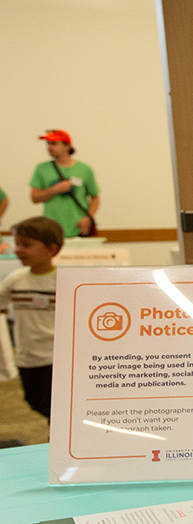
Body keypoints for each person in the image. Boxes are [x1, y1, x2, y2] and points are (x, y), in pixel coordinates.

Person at [0, 217, 62, 419]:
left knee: (54, 407)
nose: (18, 250)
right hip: (26, 357)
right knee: (34, 401)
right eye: (17, 243)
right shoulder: (16, 279)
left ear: (51, 249)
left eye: (26, 245)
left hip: (54, 358)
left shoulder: (62, 281)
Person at [30, 129, 100, 237]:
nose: (49, 147)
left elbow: (95, 197)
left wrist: (88, 218)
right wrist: (54, 190)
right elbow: (35, 198)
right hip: (51, 229)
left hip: (78, 228)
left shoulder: (84, 169)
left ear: (67, 146)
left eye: (53, 144)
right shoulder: (42, 169)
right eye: (48, 144)